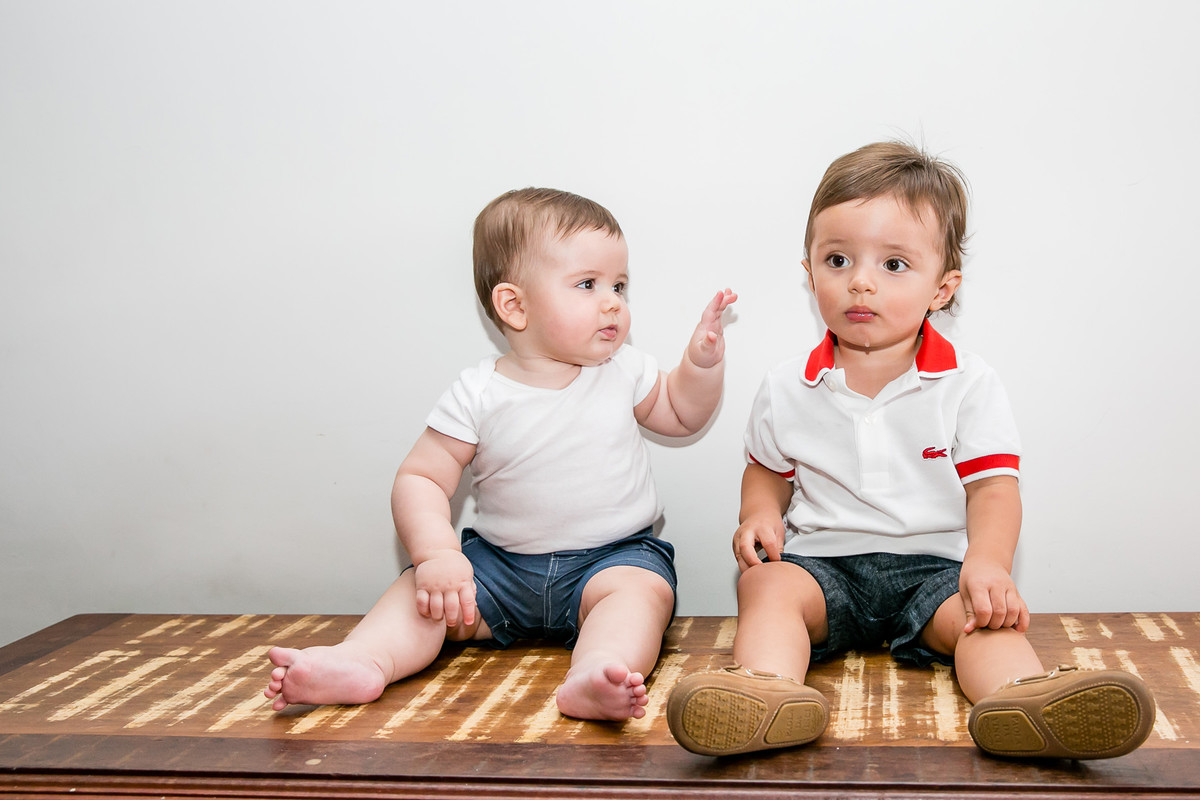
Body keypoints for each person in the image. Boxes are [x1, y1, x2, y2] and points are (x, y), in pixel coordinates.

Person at [666, 142, 1154, 759]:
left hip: (933, 567)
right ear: (809, 270)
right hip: (823, 566)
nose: (860, 281)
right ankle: (766, 692)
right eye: (838, 259)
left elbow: (993, 487)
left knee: (984, 618)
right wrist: (759, 514)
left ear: (941, 288)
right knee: (765, 588)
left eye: (894, 265)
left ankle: (1026, 699)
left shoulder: (966, 384)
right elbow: (767, 469)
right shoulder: (787, 385)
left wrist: (987, 564)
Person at [264, 187, 737, 722]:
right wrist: (436, 555)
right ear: (514, 305)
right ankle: (361, 660)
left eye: (619, 286)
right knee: (423, 595)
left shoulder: (625, 370)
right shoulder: (478, 393)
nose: (613, 302)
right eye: (588, 284)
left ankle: (597, 671)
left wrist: (700, 366)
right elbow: (421, 477)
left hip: (610, 560)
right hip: (498, 570)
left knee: (641, 595)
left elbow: (681, 415)